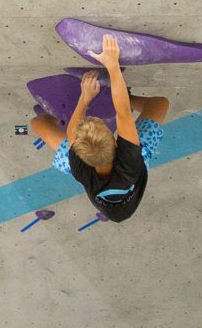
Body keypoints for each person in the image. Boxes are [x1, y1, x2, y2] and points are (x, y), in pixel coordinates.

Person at [30, 34, 169, 223]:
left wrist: (85, 98)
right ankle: (130, 98)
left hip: (104, 182)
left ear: (78, 153)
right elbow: (122, 114)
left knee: (37, 124)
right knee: (160, 104)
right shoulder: (131, 159)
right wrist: (112, 66)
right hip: (132, 172)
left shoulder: (78, 169)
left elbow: (72, 133)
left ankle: (55, 117)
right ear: (116, 140)